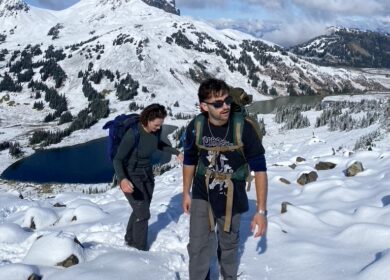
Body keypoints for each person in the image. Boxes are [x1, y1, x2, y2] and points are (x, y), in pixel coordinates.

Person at [182, 78, 268, 280]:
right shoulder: (196, 126)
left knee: (229, 245)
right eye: (218, 103)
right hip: (203, 192)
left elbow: (260, 170)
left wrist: (261, 211)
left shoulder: (244, 129)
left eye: (227, 100)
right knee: (198, 245)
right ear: (204, 106)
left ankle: (229, 277)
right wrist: (186, 192)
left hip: (233, 196)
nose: (225, 106)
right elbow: (189, 159)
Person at [113, 103, 183, 251]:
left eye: (160, 125)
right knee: (143, 213)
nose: (159, 128)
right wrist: (122, 179)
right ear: (147, 120)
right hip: (131, 175)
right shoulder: (133, 134)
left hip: (147, 173)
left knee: (141, 209)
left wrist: (176, 152)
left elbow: (159, 144)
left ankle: (129, 238)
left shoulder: (156, 131)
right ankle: (139, 250)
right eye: (156, 125)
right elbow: (117, 159)